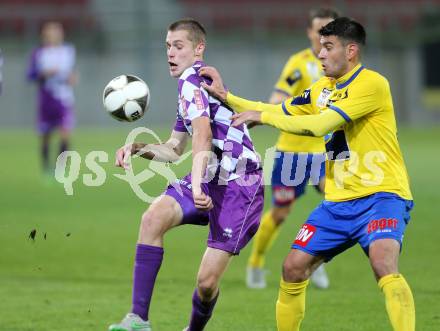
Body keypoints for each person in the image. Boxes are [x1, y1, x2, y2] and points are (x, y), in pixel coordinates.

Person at [201, 17, 415, 331]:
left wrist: (263, 117)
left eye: (329, 47)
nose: (320, 54)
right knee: (293, 268)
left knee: (383, 264)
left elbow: (320, 125)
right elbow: (279, 108)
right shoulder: (321, 89)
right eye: (320, 46)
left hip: (381, 195)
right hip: (338, 202)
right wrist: (227, 96)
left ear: (351, 50)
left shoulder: (372, 83)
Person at [109, 18, 264, 331]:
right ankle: (138, 319)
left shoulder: (193, 80)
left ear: (198, 49)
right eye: (168, 46)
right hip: (210, 177)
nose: (170, 53)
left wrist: (195, 185)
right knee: (153, 218)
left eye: (178, 46)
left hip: (240, 184)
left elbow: (203, 135)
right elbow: (174, 149)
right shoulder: (191, 86)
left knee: (206, 285)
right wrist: (137, 147)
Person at [246, 7, 339, 290]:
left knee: (337, 205)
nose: (324, 36)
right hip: (292, 152)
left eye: (330, 30)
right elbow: (279, 96)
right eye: (319, 29)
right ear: (310, 32)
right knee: (281, 213)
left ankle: (315, 262)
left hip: (325, 152)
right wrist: (276, 107)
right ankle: (256, 262)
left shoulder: (340, 66)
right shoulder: (299, 64)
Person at [27, 21, 76, 174]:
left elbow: (71, 73)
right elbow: (30, 75)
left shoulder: (68, 51)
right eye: (51, 31)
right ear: (45, 34)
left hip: (64, 99)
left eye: (57, 31)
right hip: (47, 99)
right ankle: (46, 168)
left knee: (65, 134)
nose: (54, 34)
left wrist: (72, 78)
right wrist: (45, 73)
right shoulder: (39, 53)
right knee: (46, 136)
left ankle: (60, 170)